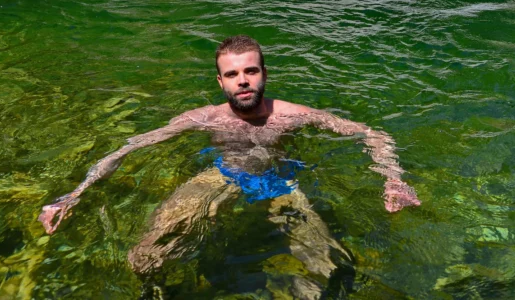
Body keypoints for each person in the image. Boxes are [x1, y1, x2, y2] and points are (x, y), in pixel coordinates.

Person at [39, 35, 420, 296]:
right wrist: (74, 195)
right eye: (233, 74)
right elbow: (128, 148)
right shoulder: (204, 118)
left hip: (280, 181)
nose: (243, 81)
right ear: (220, 81)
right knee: (144, 259)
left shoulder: (293, 115)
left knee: (330, 268)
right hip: (221, 175)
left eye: (251, 71)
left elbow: (371, 134)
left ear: (264, 74)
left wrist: (393, 179)